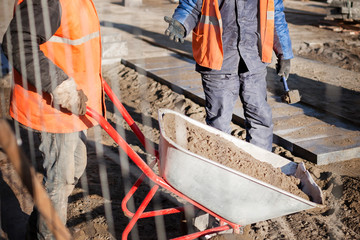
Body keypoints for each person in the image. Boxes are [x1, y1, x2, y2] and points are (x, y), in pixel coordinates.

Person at [2, 0, 105, 238]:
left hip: (73, 105)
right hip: (53, 106)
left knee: (74, 168)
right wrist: (59, 85)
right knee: (59, 182)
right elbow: (17, 41)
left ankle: (36, 230)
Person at [164, 0, 293, 151]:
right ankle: (222, 162)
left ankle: (260, 160)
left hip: (253, 59)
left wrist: (284, 53)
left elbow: (275, 15)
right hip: (218, 59)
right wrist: (181, 23)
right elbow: (191, 6)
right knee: (219, 120)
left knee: (260, 115)